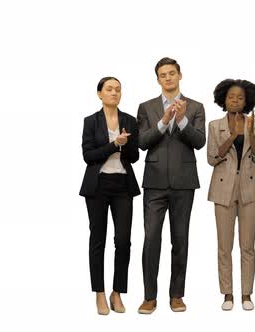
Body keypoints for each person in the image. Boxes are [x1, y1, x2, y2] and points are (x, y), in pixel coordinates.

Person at [136, 57, 206, 314]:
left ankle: (177, 295)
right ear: (157, 79)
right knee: (151, 238)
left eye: (172, 73)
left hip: (184, 182)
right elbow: (142, 141)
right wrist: (164, 120)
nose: (168, 78)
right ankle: (149, 296)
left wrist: (182, 119)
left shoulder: (196, 107)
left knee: (180, 239)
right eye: (163, 74)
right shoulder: (146, 107)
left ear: (180, 75)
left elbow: (199, 141)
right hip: (154, 183)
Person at [79, 77, 140, 315]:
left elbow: (134, 157)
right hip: (98, 185)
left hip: (123, 184)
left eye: (118, 89)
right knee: (98, 240)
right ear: (99, 94)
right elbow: (88, 155)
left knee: (123, 240)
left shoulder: (130, 120)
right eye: (109, 89)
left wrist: (124, 145)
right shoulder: (90, 121)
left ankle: (117, 292)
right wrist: (115, 144)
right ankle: (100, 293)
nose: (114, 93)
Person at [207, 79, 255, 311]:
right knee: (224, 246)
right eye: (231, 96)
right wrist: (233, 135)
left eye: (240, 97)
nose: (235, 100)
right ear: (223, 99)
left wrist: (249, 134)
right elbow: (212, 158)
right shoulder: (214, 125)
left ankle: (247, 294)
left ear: (247, 100)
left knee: (248, 246)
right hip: (223, 190)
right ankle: (228, 294)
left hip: (250, 190)